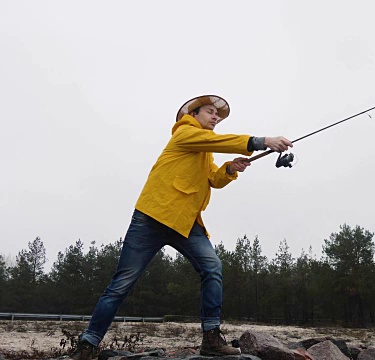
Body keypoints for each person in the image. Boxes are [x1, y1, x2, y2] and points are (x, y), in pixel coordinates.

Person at [70, 95, 293, 359]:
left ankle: (211, 338)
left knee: (213, 268)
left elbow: (212, 178)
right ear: (193, 114)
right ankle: (87, 345)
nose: (215, 117)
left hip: (186, 222)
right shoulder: (184, 134)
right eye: (210, 112)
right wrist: (259, 141)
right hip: (152, 217)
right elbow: (215, 141)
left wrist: (230, 168)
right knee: (122, 284)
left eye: (217, 115)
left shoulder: (204, 147)